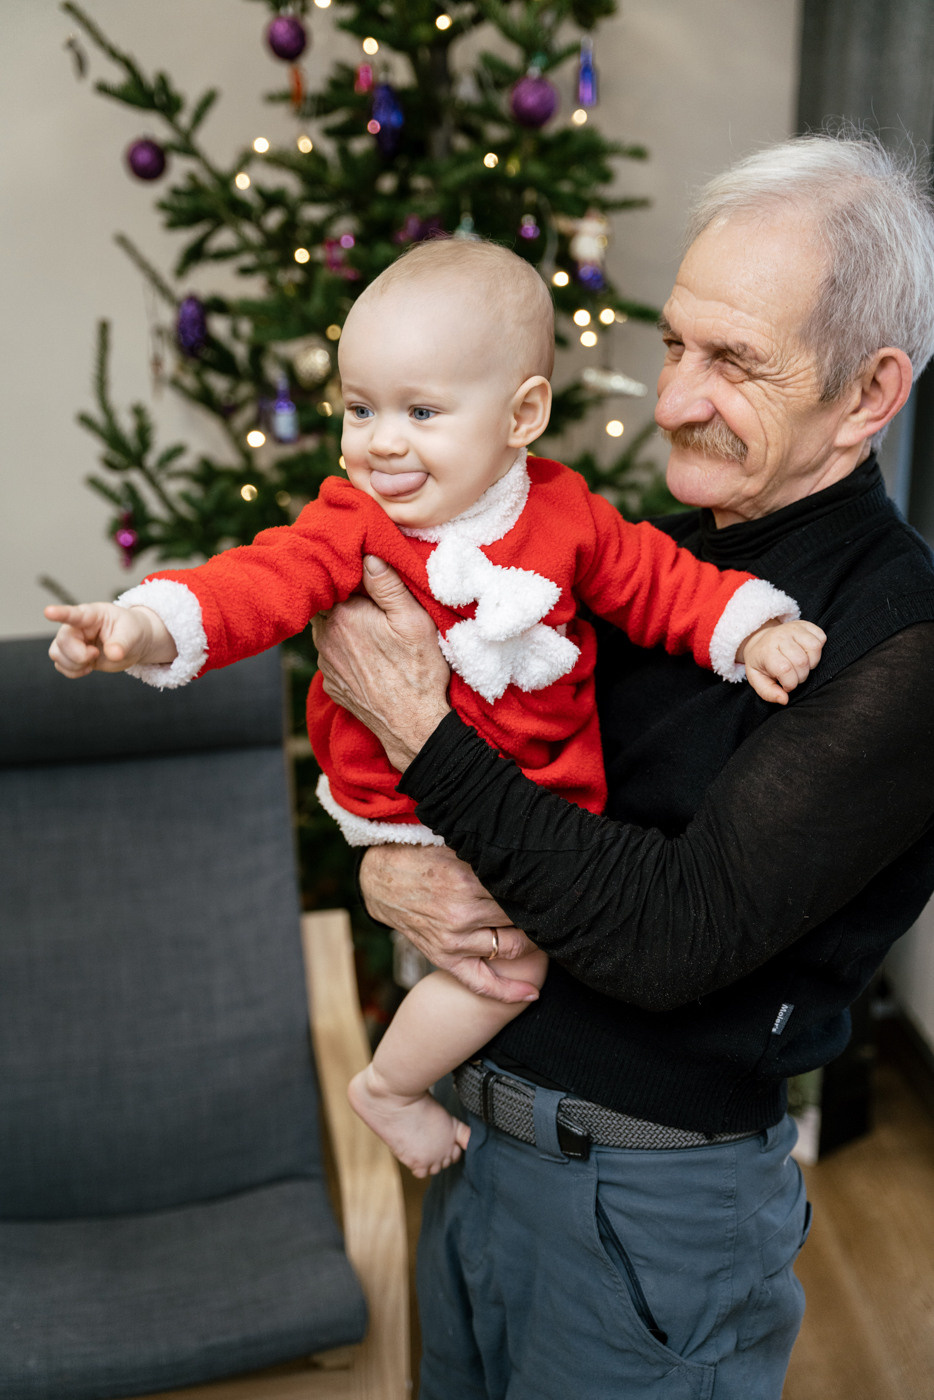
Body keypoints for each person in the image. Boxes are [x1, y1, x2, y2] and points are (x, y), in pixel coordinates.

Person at [308, 133, 934, 1400]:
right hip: (474, 1153)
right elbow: (448, 775)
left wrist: (425, 739)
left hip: (642, 1210)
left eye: (735, 364)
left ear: (869, 393)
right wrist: (385, 877)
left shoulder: (898, 640)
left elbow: (669, 935)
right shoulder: (634, 547)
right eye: (674, 346)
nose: (671, 399)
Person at [44, 238, 823, 1181]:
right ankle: (392, 1088)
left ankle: (410, 1078)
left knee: (497, 961)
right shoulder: (353, 522)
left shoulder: (567, 512)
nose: (381, 441)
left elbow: (661, 584)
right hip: (410, 806)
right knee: (509, 970)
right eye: (360, 408)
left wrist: (748, 631)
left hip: (536, 808)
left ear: (522, 415)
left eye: (420, 411)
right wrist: (142, 626)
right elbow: (250, 586)